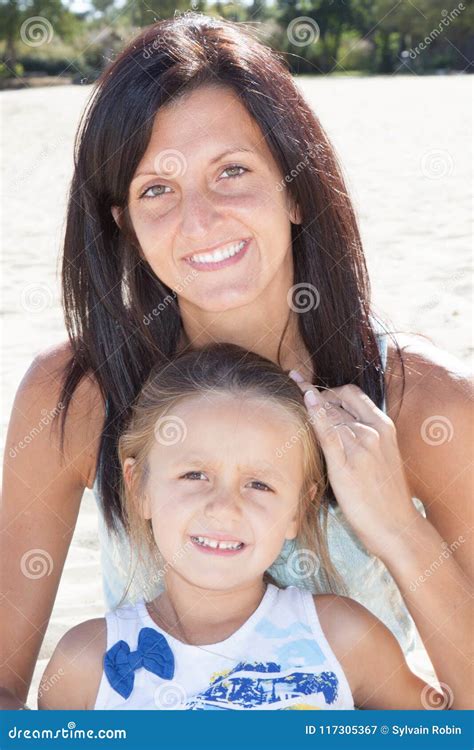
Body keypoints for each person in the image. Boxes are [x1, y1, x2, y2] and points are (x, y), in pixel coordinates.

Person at [1, 13, 472, 711]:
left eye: (233, 171)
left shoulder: (423, 403)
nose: (199, 219)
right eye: (155, 188)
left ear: (296, 189)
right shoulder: (73, 395)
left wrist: (399, 530)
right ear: (122, 222)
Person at [38, 344, 451, 710]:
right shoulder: (85, 664)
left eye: (259, 484)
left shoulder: (343, 637)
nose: (224, 507)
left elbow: (449, 732)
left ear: (297, 511)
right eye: (194, 474)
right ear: (139, 486)